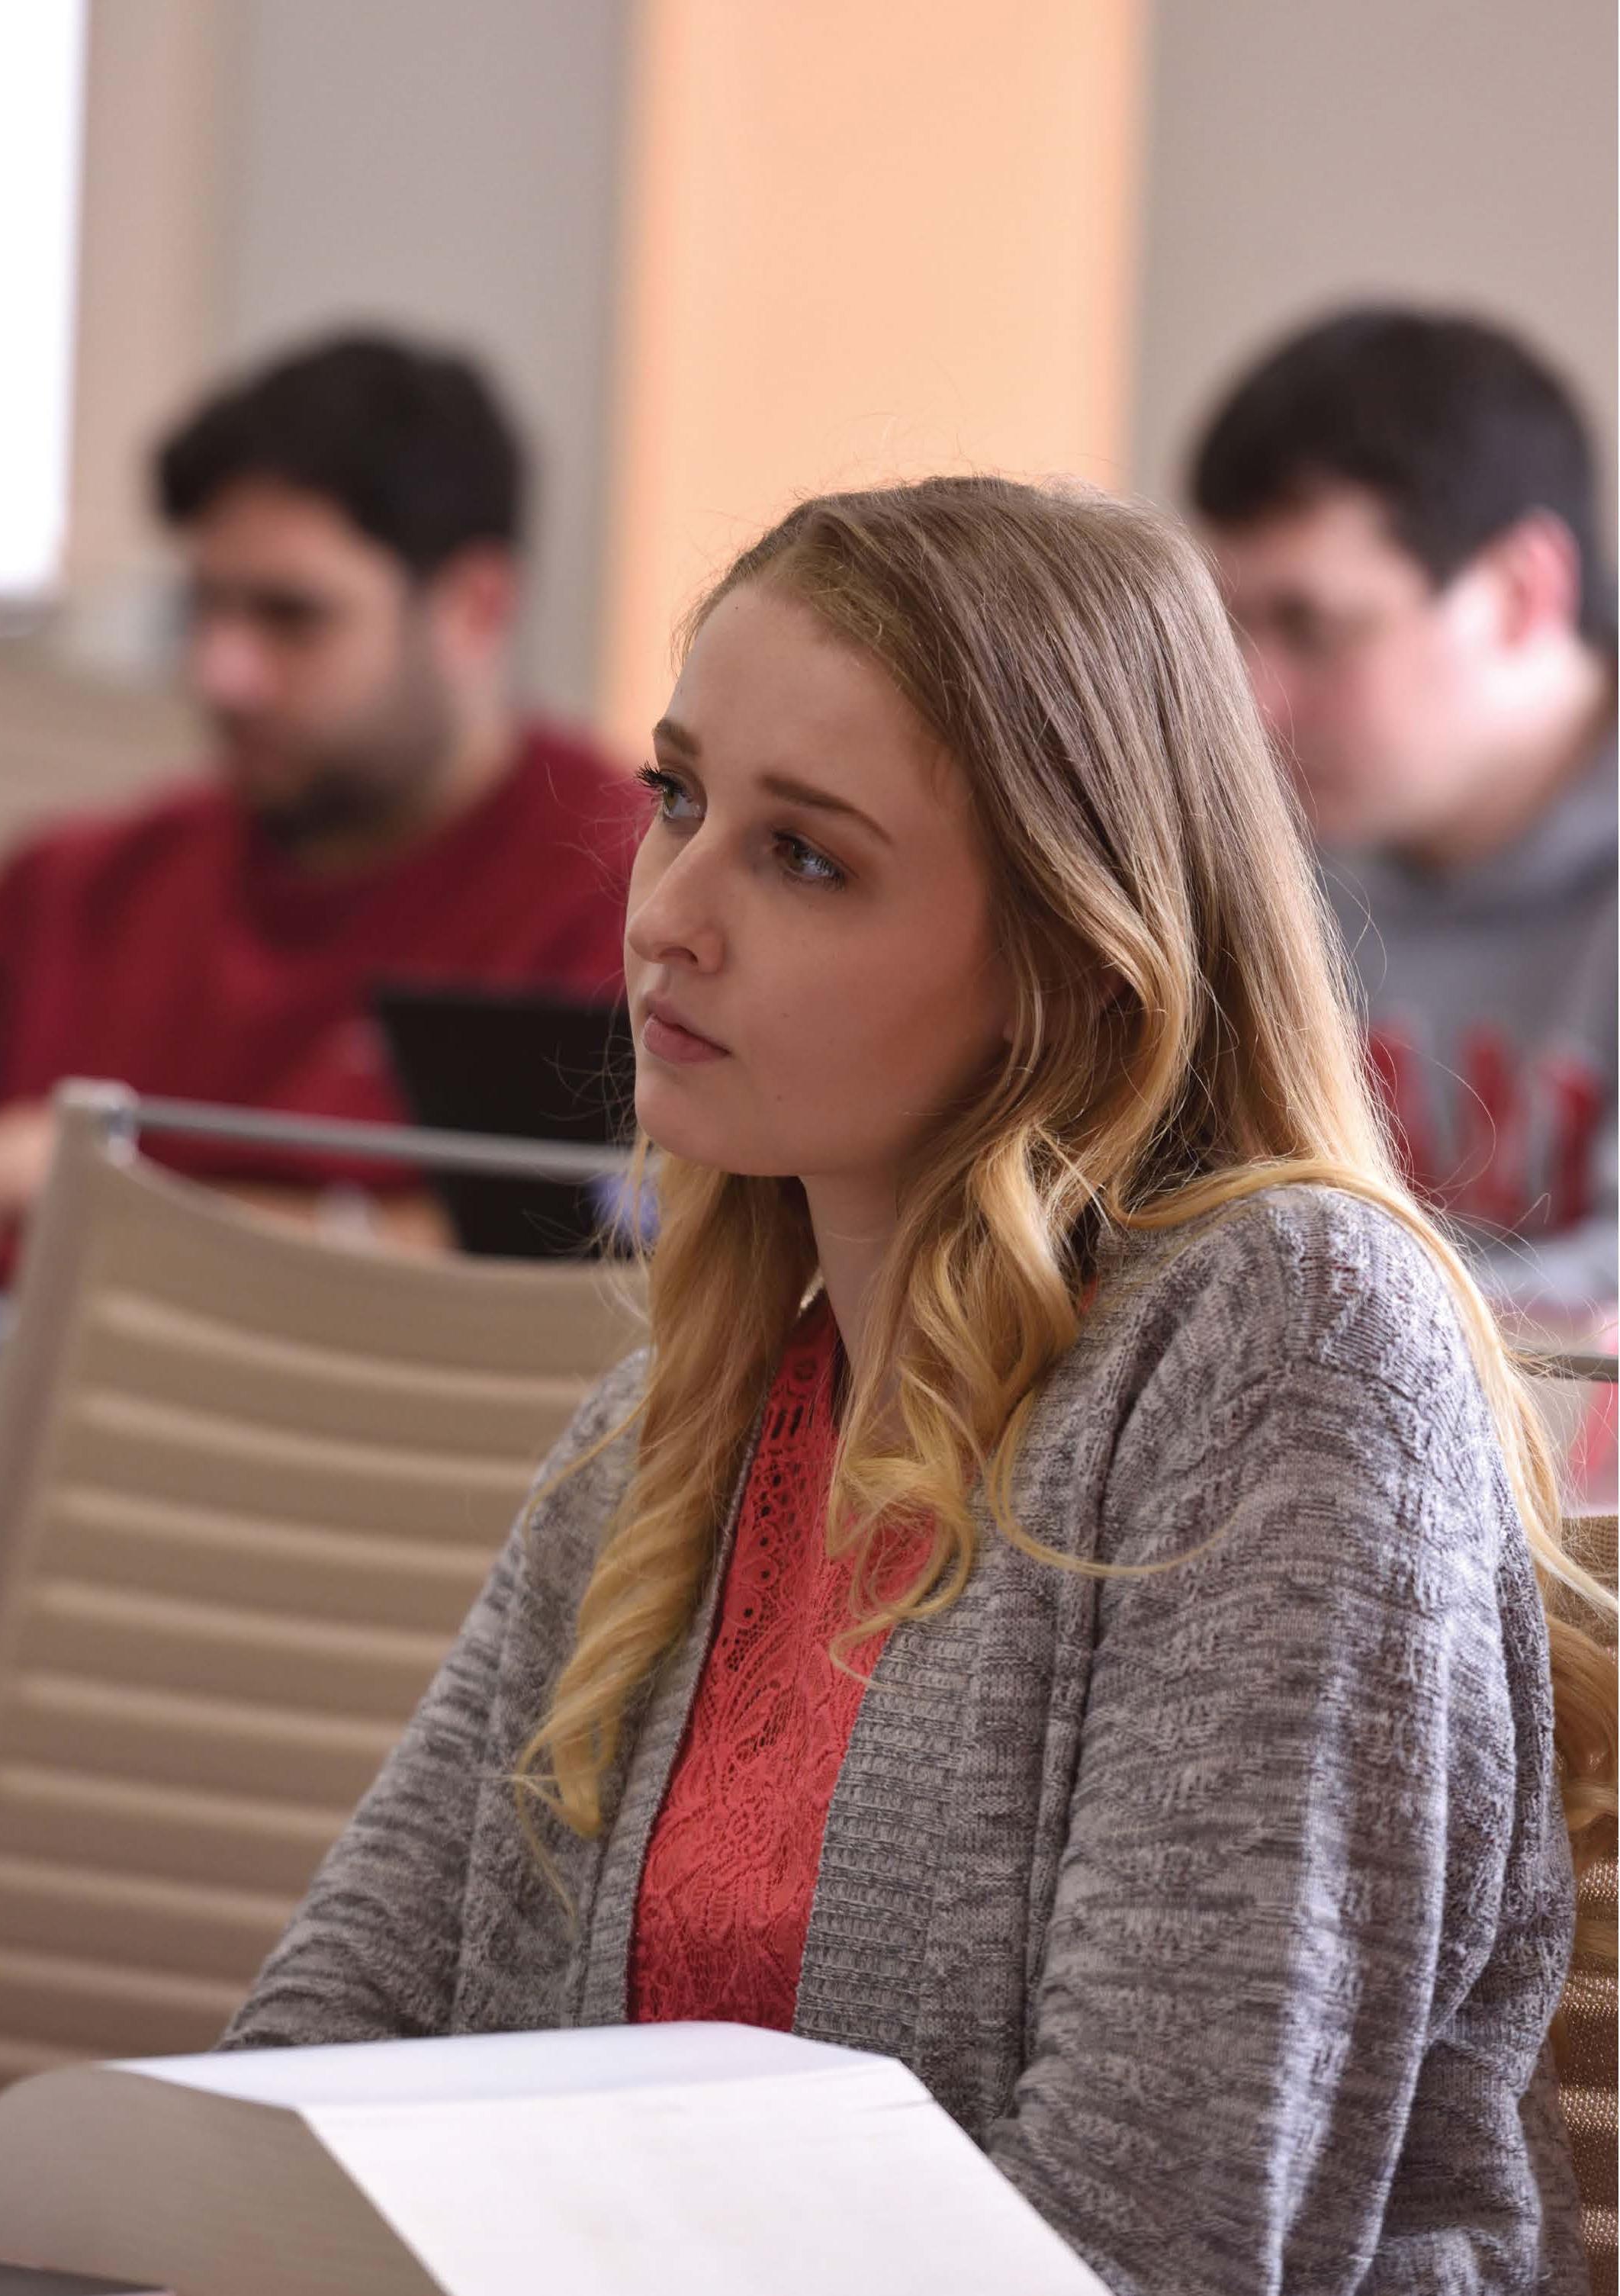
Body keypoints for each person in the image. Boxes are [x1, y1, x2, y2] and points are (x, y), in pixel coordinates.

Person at [221, 477, 1607, 2293]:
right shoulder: (669, 1435)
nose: (667, 918)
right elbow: (309, 2074)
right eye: (679, 800)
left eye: (807, 856)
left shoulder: (1291, 1344)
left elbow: (1155, 2242)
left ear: (1067, 957)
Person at [0, 332, 643, 1285]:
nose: (222, 674)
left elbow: (616, 1255)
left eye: (291, 617)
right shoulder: (64, 894)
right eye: (203, 610)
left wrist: (125, 1208)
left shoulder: (635, 901)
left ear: (475, 608)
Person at [1191, 307, 1616, 1318]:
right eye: (1225, 624)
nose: (1250, 699)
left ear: (1520, 591)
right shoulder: (1262, 848)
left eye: (1311, 626)